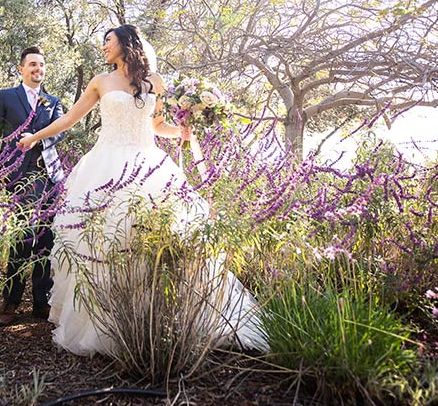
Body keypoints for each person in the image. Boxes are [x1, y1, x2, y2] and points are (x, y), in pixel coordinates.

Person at [17, 25, 266, 356]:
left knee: (165, 237)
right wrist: (35, 136)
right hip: (105, 166)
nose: (104, 46)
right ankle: (106, 326)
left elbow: (158, 126)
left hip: (149, 165)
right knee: (104, 241)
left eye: (108, 40)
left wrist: (183, 131)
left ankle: (158, 319)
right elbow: (71, 119)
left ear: (125, 42)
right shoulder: (100, 82)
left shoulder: (155, 82)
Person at [0, 46, 66, 325]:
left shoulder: (53, 102)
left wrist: (38, 138)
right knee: (23, 237)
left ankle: (41, 304)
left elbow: (61, 132)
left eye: (41, 65)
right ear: (21, 68)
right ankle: (10, 303)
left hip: (50, 177)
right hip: (19, 175)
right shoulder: (6, 96)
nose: (37, 69)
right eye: (32, 64)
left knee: (46, 240)